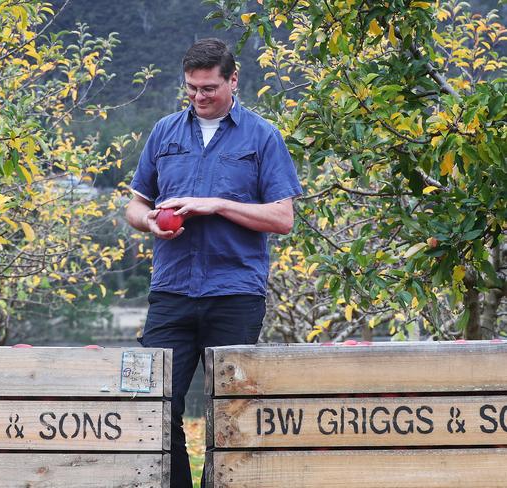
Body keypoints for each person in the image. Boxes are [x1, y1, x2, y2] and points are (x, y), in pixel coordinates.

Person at [125, 38, 302, 487]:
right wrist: (149, 221)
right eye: (191, 88)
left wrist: (217, 204)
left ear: (232, 81)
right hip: (171, 292)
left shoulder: (262, 135)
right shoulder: (164, 132)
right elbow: (134, 205)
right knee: (156, 403)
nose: (199, 97)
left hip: (235, 294)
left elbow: (282, 218)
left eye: (209, 88)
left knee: (231, 412)